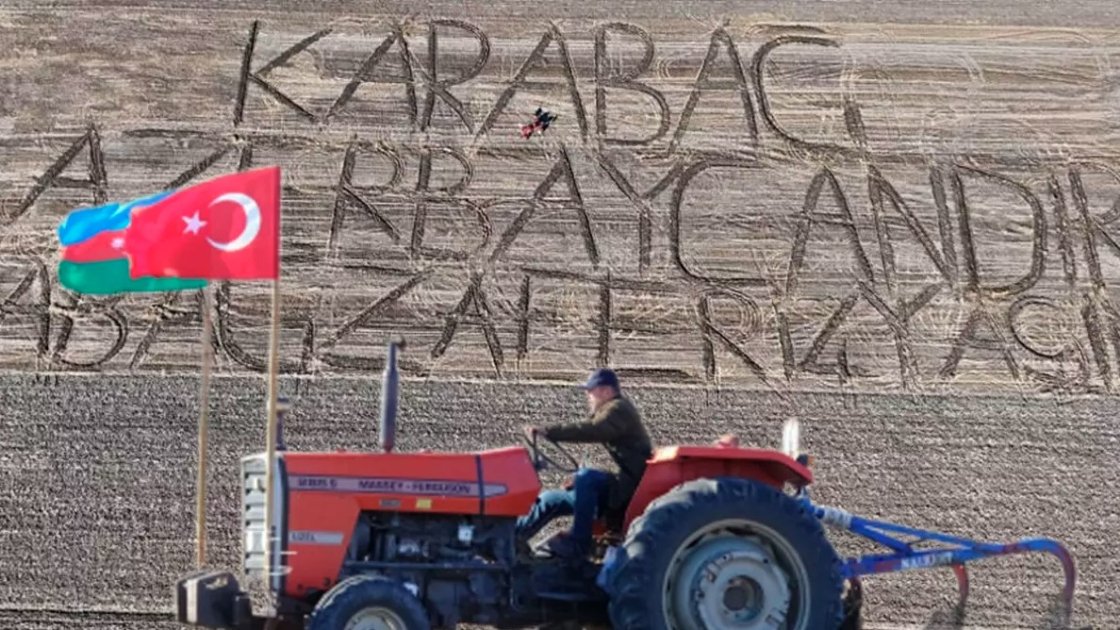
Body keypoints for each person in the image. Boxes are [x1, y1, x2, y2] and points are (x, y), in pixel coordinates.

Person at [516, 368, 653, 559]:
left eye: (591, 391)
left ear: (606, 390)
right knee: (549, 499)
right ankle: (510, 539)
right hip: (616, 481)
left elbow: (595, 430)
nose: (588, 396)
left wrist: (550, 431)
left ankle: (579, 543)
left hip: (626, 486)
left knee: (586, 478)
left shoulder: (618, 409)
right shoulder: (611, 411)